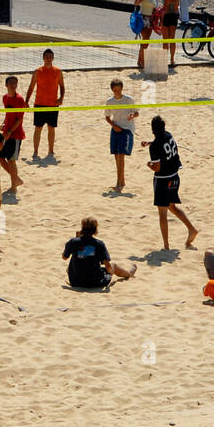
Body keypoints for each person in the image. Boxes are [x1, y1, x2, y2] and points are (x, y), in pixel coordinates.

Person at [146, 116, 199, 250]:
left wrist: (149, 164)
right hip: (175, 177)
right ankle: (191, 229)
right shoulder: (168, 135)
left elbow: (157, 167)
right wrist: (150, 143)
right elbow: (162, 145)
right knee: (172, 207)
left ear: (153, 130)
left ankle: (166, 246)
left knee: (162, 213)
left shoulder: (155, 146)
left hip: (163, 180)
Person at [64, 217, 136, 288]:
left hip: (75, 282)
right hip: (96, 282)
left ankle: (127, 273)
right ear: (95, 230)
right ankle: (129, 273)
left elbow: (64, 257)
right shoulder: (99, 244)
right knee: (113, 265)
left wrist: (76, 239)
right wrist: (111, 272)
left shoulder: (73, 241)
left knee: (71, 267)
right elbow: (108, 267)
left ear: (82, 228)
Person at [25, 48, 65, 159]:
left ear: (53, 58)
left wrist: (61, 97)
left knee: (51, 128)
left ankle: (51, 151)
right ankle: (35, 151)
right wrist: (27, 100)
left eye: (50, 56)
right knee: (38, 128)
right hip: (40, 103)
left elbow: (62, 86)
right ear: (43, 58)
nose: (48, 58)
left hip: (53, 104)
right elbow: (31, 86)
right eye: (46, 56)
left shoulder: (58, 71)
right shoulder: (38, 71)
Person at [104, 78, 138, 191]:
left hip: (127, 129)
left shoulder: (129, 99)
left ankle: (119, 183)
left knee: (121, 157)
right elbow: (107, 117)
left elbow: (136, 113)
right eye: (115, 90)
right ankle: (122, 181)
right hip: (115, 129)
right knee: (116, 156)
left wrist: (132, 115)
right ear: (112, 90)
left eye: (119, 90)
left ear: (122, 89)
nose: (117, 92)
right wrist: (114, 126)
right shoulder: (109, 101)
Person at [0, 76, 27, 195]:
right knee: (0, 158)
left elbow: (19, 119)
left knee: (11, 160)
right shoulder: (5, 98)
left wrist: (10, 130)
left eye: (15, 83)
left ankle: (14, 187)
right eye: (10, 83)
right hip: (7, 133)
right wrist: (3, 124)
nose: (13, 85)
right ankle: (17, 179)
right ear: (6, 85)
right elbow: (8, 115)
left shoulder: (19, 99)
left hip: (16, 134)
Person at [133, 0, 159, 71]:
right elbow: (136, 3)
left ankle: (140, 60)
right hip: (144, 19)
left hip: (150, 19)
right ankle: (142, 62)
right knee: (145, 41)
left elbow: (154, 7)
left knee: (146, 42)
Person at [159, 0, 181, 67]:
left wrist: (160, 17)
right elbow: (177, 6)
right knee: (172, 39)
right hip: (174, 16)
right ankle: (172, 59)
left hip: (167, 15)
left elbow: (165, 7)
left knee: (165, 40)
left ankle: (164, 59)